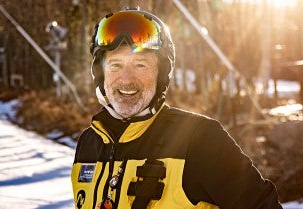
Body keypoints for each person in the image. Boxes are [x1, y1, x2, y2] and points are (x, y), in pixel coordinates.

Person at [71, 8, 282, 209]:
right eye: (115, 65)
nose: (126, 79)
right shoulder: (88, 143)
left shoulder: (200, 139)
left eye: (140, 65)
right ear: (100, 74)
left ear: (161, 74)